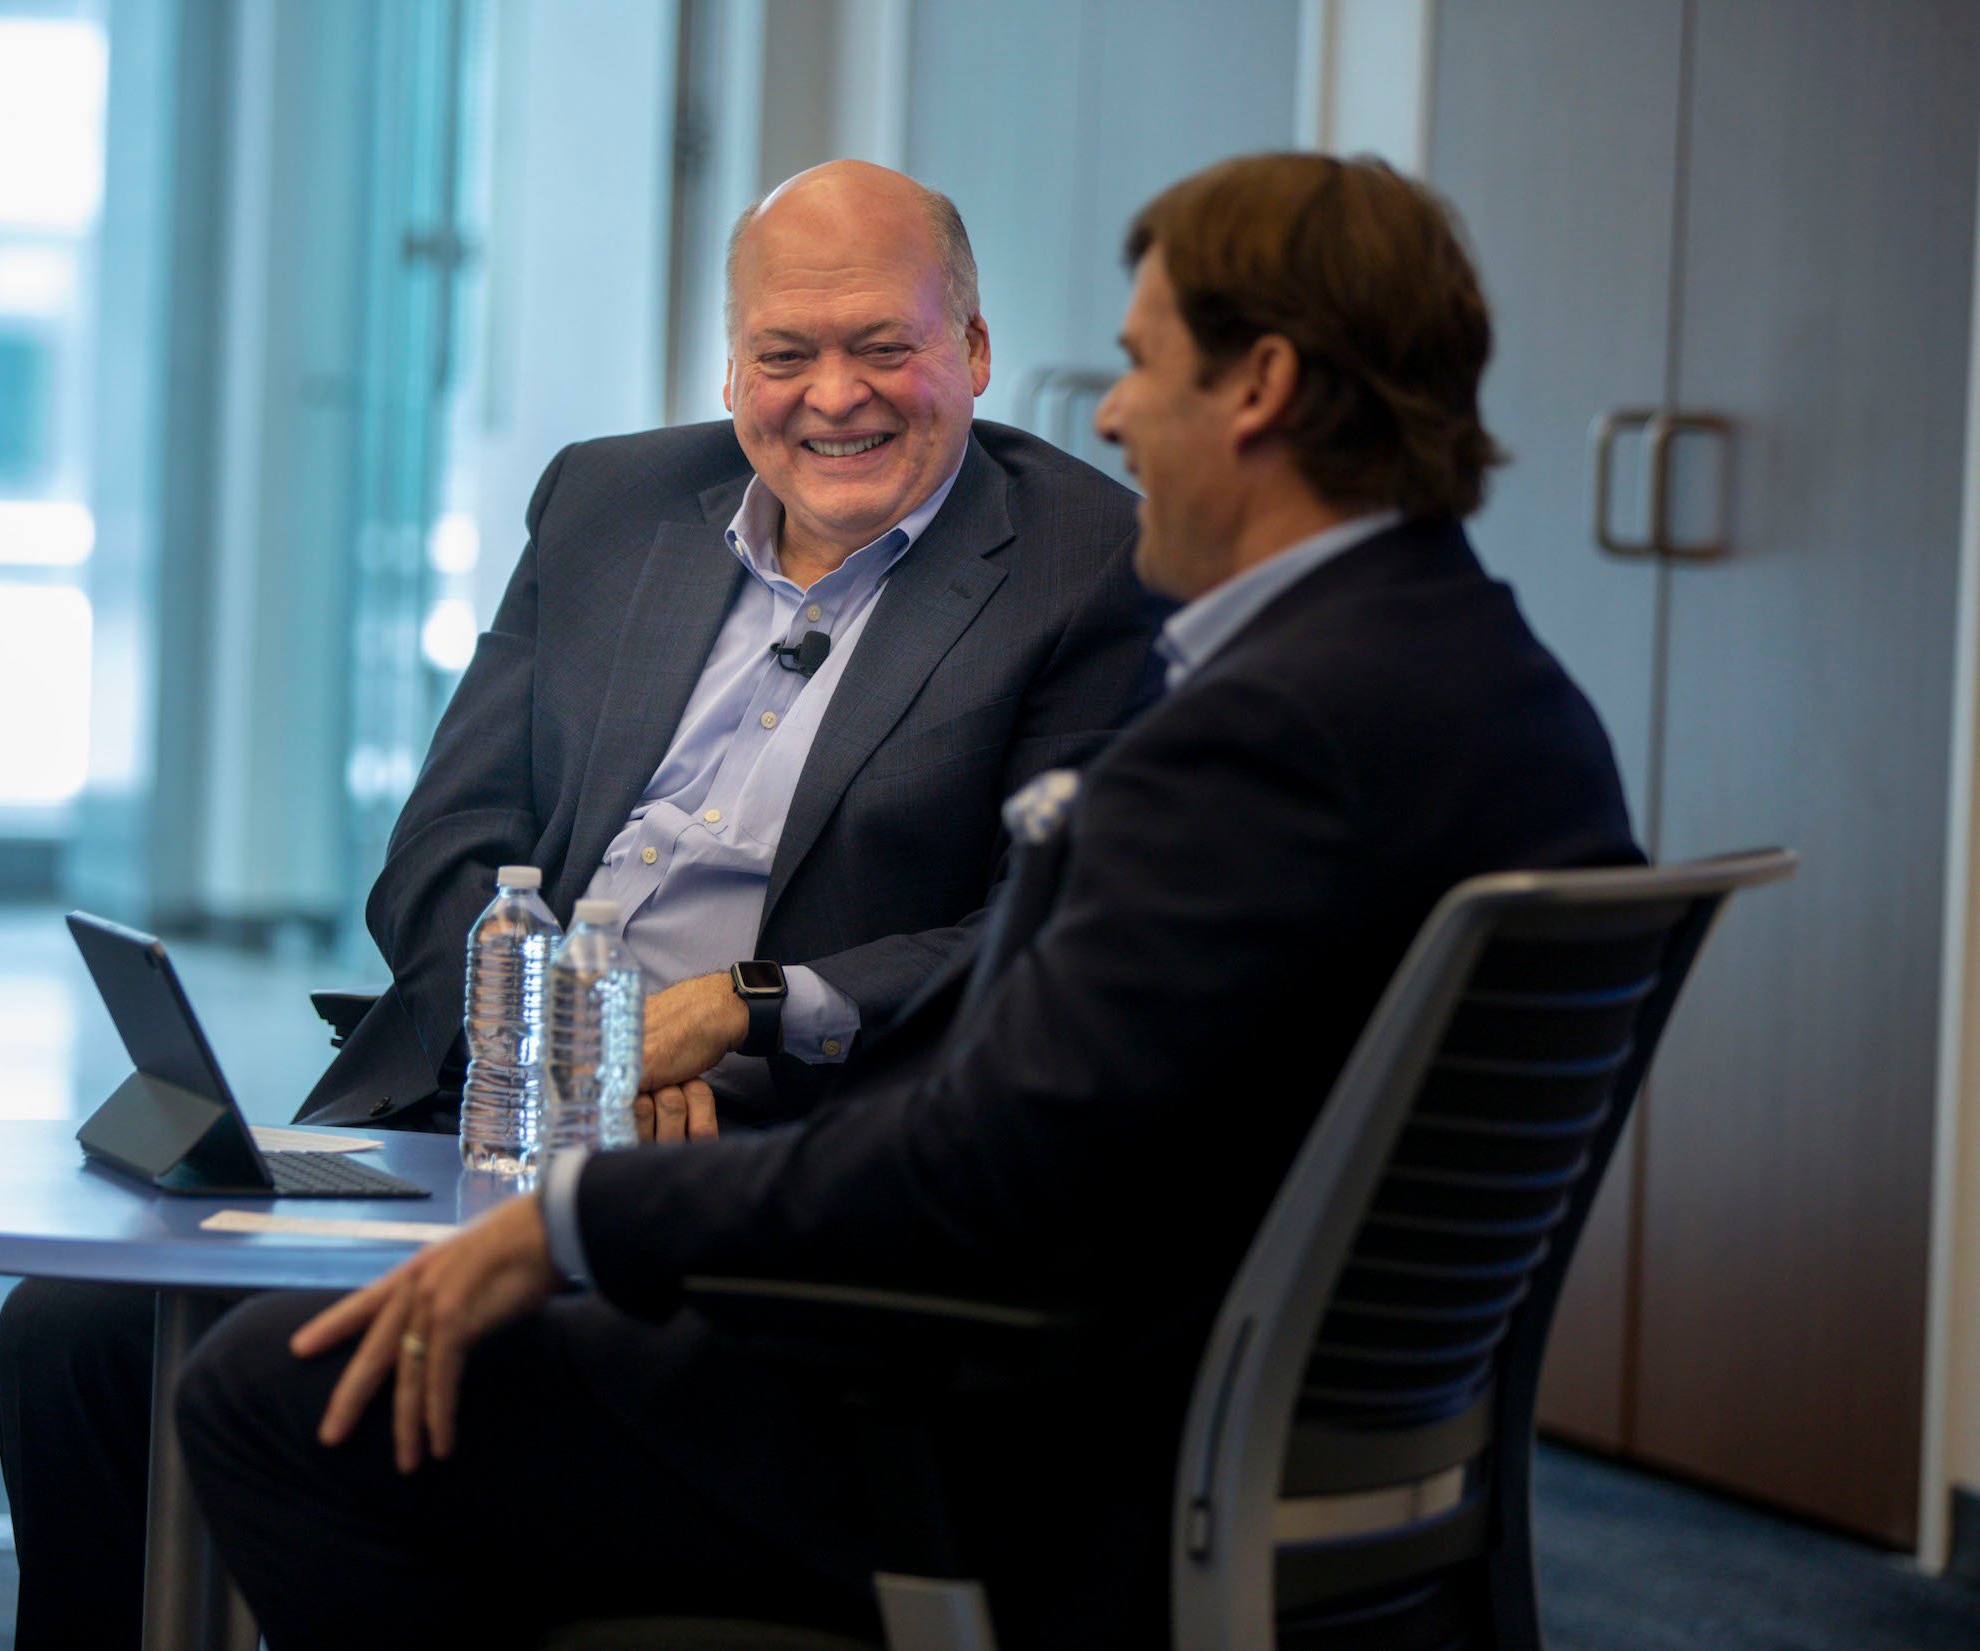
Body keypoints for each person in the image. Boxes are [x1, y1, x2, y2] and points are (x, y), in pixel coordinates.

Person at [170, 152, 1644, 1650]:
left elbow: (981, 1161)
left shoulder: (1265, 734)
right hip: (1193, 1405)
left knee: (273, 1399)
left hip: (1016, 1450)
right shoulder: (1496, 692)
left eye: (1139, 365)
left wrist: (580, 1219)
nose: (1116, 415)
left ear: (1256, 386)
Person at [0, 158, 1156, 1649]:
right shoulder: (611, 500)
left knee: (292, 1381)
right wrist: (556, 1043)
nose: (834, 397)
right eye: (784, 354)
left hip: (751, 1166)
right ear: (729, 361)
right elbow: (444, 840)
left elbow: (1029, 931)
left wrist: (748, 1016)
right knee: (77, 1334)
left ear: (975, 353)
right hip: (478, 1112)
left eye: (885, 346)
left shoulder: (1084, 567)